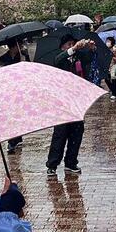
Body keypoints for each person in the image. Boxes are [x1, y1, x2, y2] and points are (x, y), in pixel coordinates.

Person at [45, 35, 92, 176]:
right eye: (68, 44)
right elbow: (58, 60)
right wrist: (73, 48)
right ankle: (52, 164)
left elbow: (88, 62)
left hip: (77, 101)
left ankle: (71, 162)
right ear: (63, 46)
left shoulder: (79, 58)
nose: (72, 46)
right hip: (62, 102)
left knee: (77, 133)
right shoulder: (60, 58)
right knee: (60, 134)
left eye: (73, 43)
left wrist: (90, 49)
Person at [0, 42, 29, 153]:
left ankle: (18, 138)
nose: (21, 47)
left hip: (20, 90)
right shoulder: (3, 58)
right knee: (11, 116)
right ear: (14, 46)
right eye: (19, 46)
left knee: (19, 115)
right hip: (7, 92)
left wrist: (26, 59)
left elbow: (29, 70)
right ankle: (11, 142)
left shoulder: (22, 56)